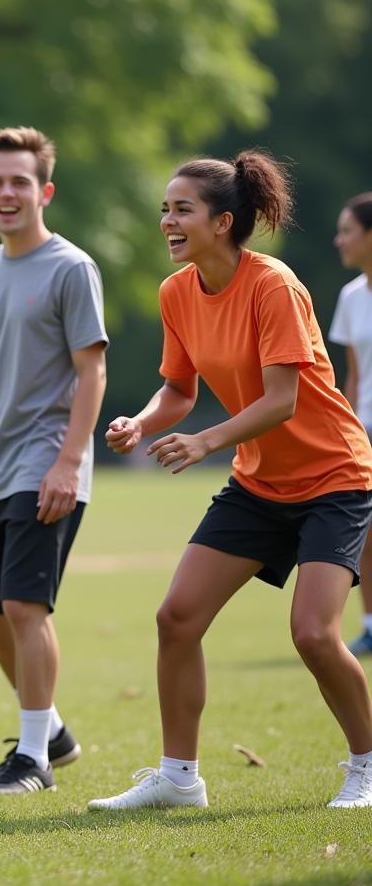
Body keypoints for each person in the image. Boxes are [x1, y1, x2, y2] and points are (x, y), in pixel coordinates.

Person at [89, 151, 372, 812]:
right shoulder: (177, 291)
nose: (167, 221)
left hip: (333, 476)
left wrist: (208, 442)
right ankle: (179, 778)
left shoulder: (273, 284)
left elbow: (283, 400)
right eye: (165, 209)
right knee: (177, 618)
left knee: (313, 633)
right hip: (260, 484)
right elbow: (179, 390)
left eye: (181, 209)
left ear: (222, 222)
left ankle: (366, 764)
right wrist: (143, 422)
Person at [0, 126, 108, 796]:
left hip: (47, 463)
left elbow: (91, 372)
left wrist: (68, 463)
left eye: (21, 181)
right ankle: (55, 733)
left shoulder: (71, 268)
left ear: (45, 191)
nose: (8, 193)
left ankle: (33, 758)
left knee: (23, 606)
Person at [328, 193, 372, 656]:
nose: (339, 240)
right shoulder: (351, 296)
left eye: (347, 231)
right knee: (367, 536)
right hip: (365, 430)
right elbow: (354, 374)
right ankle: (371, 622)